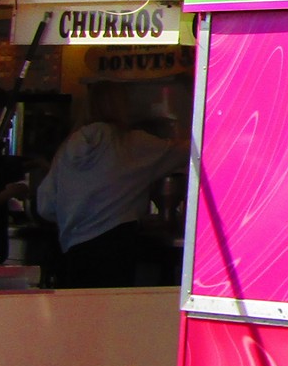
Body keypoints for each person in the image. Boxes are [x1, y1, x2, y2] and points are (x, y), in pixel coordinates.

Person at [34, 86, 189, 289]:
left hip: (74, 250)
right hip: (116, 246)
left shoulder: (68, 147)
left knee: (79, 315)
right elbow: (184, 152)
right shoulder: (130, 143)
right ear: (121, 107)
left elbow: (45, 205)